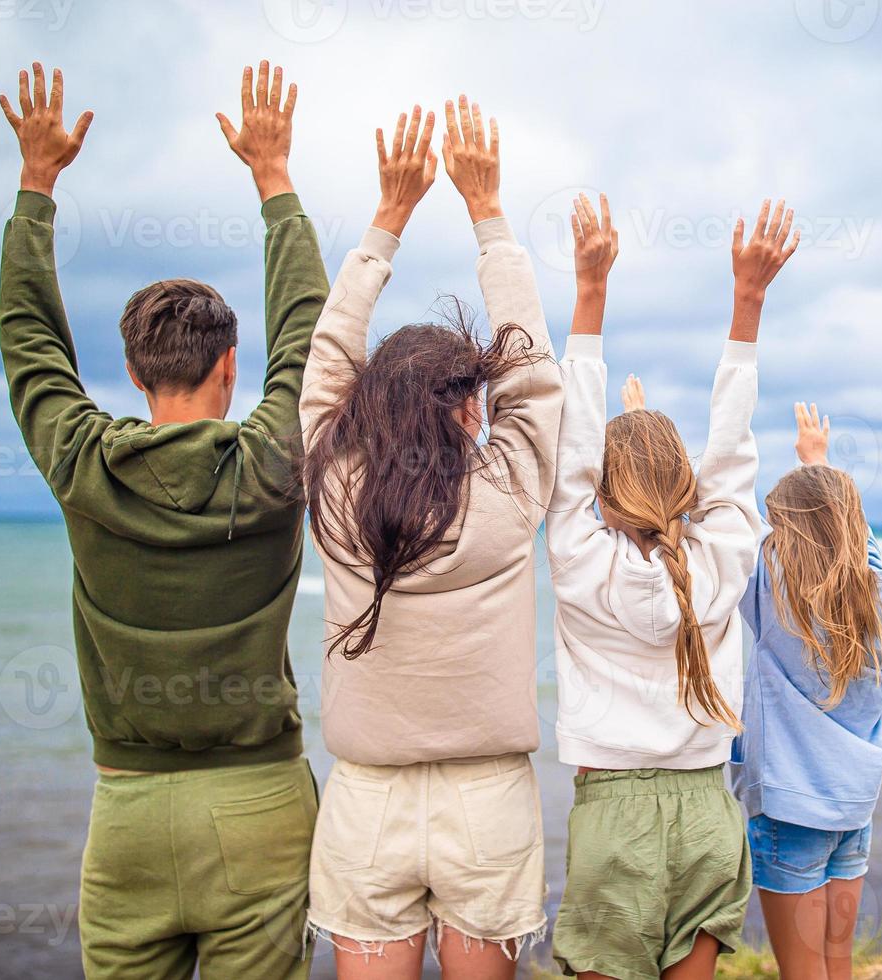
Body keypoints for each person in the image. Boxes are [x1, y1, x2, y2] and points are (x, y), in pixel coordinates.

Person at [0, 61, 328, 978]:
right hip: (258, 806)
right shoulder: (269, 462)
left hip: (129, 812)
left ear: (136, 375)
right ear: (230, 368)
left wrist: (36, 186)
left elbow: (30, 347)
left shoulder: (83, 463)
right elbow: (310, 336)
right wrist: (273, 178)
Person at [297, 97, 559, 979]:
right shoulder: (512, 489)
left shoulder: (334, 492)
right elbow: (536, 380)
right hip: (488, 799)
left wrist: (386, 222)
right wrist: (488, 215)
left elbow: (327, 362)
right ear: (467, 404)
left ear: (368, 406)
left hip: (365, 801)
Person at [545, 194, 799, 979]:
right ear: (687, 486)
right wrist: (747, 302)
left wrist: (590, 295)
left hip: (614, 814)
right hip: (705, 812)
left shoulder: (580, 559)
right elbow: (731, 453)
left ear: (604, 494)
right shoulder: (721, 556)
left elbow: (574, 463)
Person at [731, 404, 882, 980]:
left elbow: (730, 529)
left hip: (789, 808)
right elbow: (862, 552)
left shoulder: (773, 596)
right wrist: (820, 467)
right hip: (854, 804)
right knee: (838, 964)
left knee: (802, 971)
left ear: (783, 536)